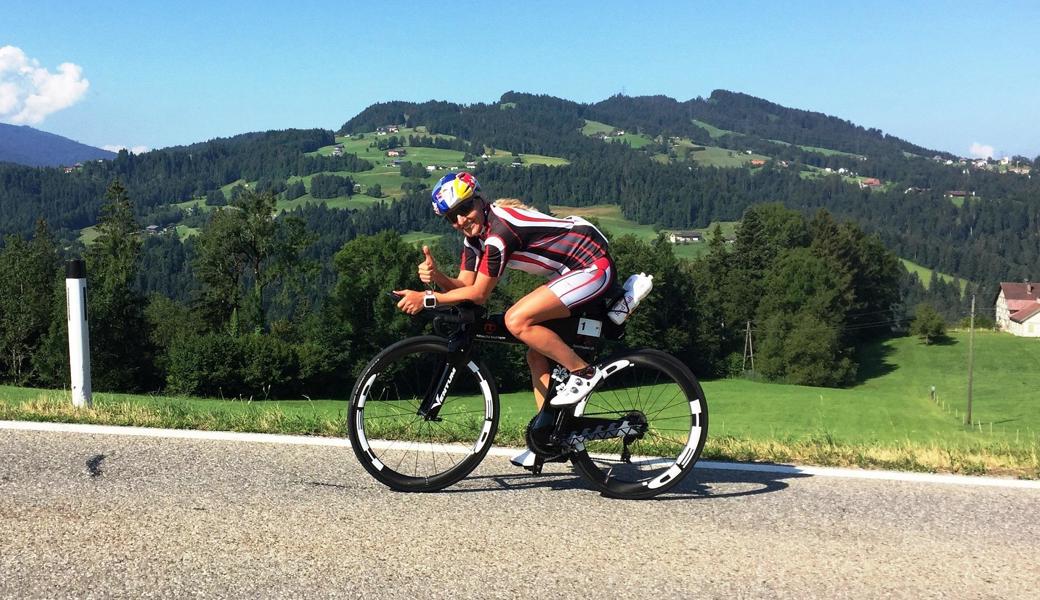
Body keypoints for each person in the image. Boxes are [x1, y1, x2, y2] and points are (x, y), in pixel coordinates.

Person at [393, 172, 616, 465]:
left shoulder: (498, 234)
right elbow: (464, 287)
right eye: (451, 218)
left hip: (591, 264)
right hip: (569, 272)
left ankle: (585, 373)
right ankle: (550, 438)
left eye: (463, 209)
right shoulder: (475, 238)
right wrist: (437, 278)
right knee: (536, 356)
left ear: (480, 200)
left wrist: (427, 299)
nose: (460, 221)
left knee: (516, 320)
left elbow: (479, 295)